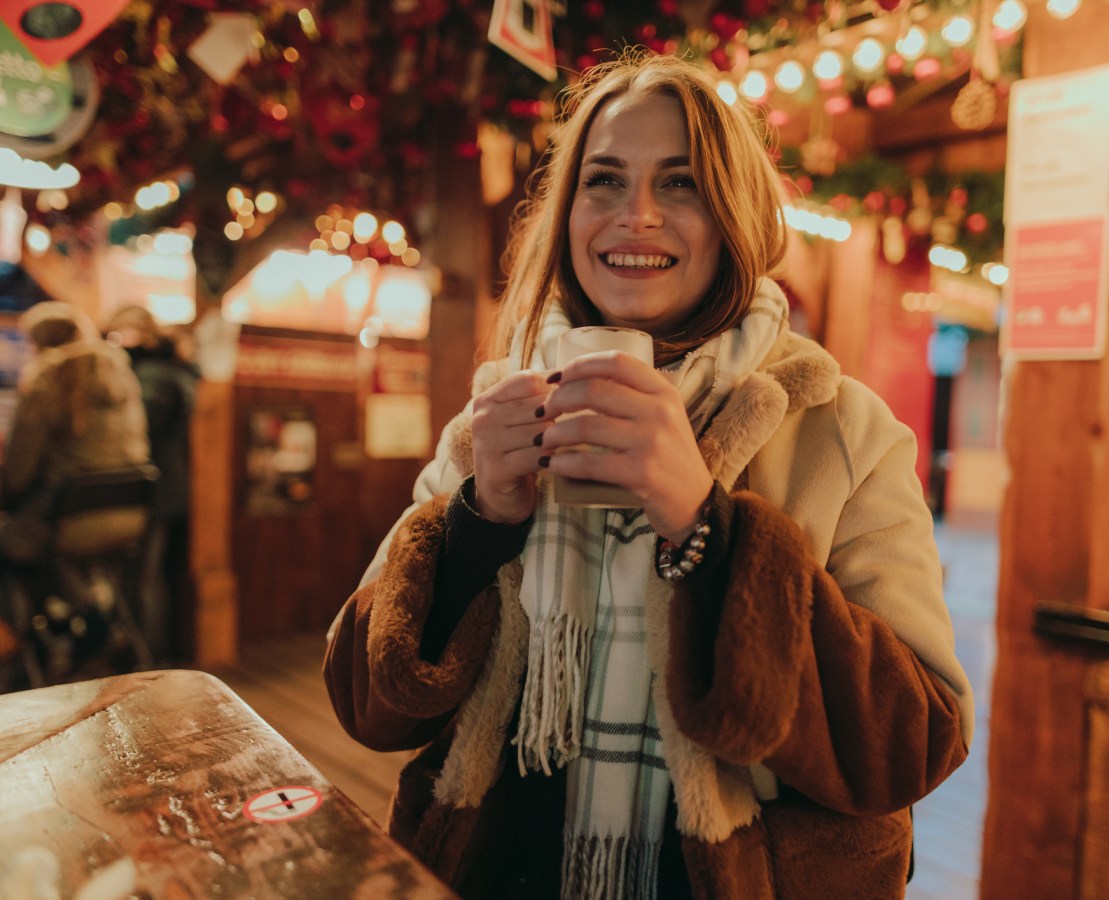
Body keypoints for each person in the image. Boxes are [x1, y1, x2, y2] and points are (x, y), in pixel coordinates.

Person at [324, 51, 973, 900]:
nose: (635, 215)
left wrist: (708, 526)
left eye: (680, 184)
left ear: (734, 214)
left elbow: (912, 739)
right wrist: (479, 522)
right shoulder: (496, 417)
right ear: (567, 215)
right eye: (603, 181)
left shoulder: (838, 427)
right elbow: (366, 706)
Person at [0, 302, 149, 564]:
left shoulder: (47, 380)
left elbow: (16, 477)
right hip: (128, 514)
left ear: (40, 343)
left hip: (64, 519)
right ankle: (85, 600)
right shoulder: (122, 375)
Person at [105, 305, 199, 664]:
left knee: (145, 576)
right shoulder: (171, 369)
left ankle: (145, 657)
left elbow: (143, 429)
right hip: (168, 482)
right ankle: (152, 651)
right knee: (153, 574)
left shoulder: (150, 375)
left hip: (153, 486)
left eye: (120, 335)